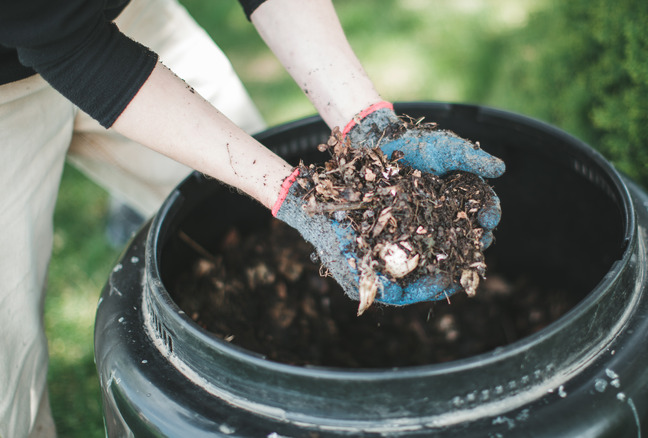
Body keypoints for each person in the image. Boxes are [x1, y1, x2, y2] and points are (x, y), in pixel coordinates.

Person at [0, 0, 505, 436]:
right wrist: (295, 195)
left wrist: (364, 121)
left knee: (255, 234)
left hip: (117, 20)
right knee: (9, 376)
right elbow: (69, 46)